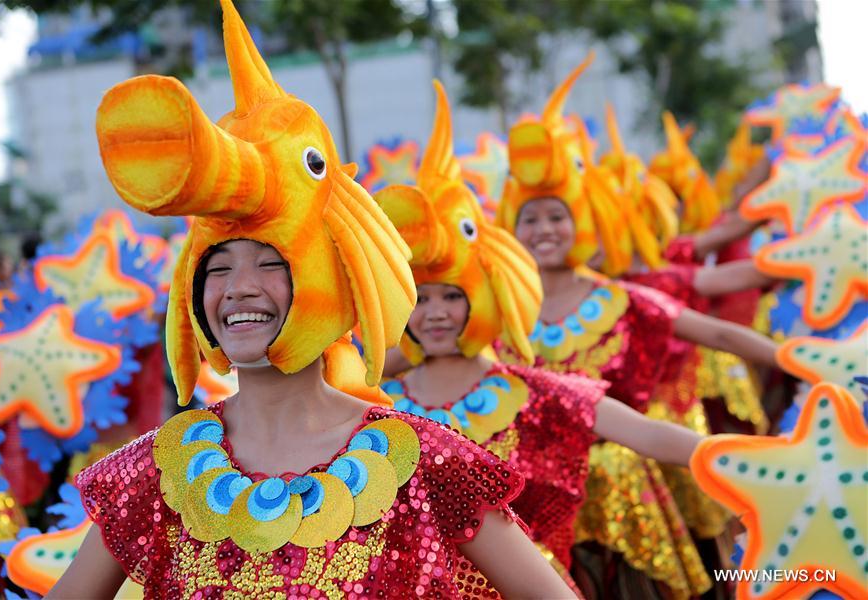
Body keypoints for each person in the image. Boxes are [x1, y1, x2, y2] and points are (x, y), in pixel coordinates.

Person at [48, 2, 574, 598]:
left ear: (337, 274)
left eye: (271, 262)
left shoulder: (429, 464)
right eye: (217, 267)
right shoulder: (154, 475)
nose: (240, 287)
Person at [377, 81, 707, 592]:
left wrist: (761, 459)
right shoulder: (376, 405)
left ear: (483, 300)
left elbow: (648, 434)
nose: (436, 312)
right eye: (420, 298)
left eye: (452, 296)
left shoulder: (533, 388)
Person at [493, 55, 783, 599]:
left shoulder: (623, 297)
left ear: (584, 223)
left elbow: (717, 332)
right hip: (537, 507)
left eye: (557, 215)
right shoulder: (493, 315)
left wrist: (800, 360)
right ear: (510, 229)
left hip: (633, 486)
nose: (544, 228)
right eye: (529, 218)